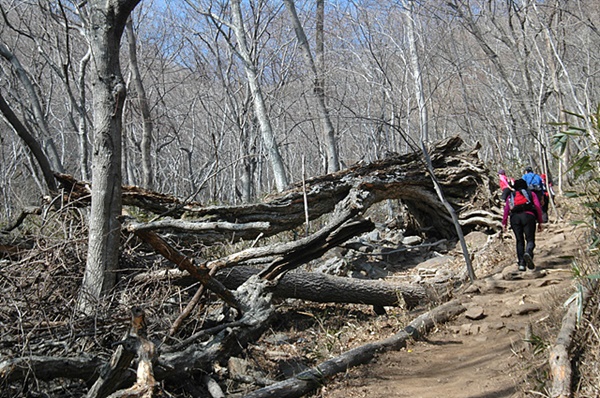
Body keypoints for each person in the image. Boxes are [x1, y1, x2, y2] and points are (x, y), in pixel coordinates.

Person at [502, 178, 543, 271]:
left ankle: (521, 264)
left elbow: (506, 210)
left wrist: (504, 223)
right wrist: (540, 221)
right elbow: (538, 207)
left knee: (519, 241)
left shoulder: (511, 196)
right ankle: (528, 252)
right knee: (530, 239)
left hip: (515, 218)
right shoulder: (531, 194)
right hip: (529, 217)